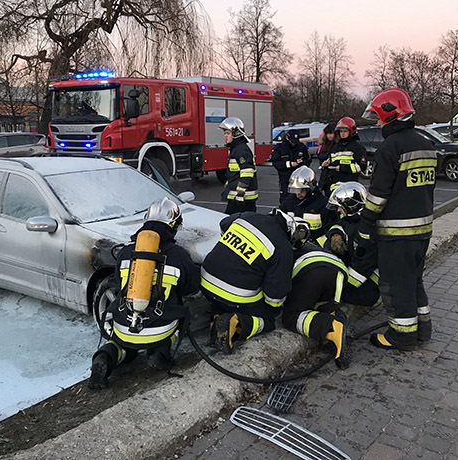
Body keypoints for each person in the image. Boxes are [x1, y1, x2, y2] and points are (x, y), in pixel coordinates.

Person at [88, 197, 200, 389]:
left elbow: (119, 283)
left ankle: (105, 357)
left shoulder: (125, 252)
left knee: (122, 346)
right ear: (173, 226)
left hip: (124, 326)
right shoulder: (178, 255)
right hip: (160, 327)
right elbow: (192, 288)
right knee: (181, 316)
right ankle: (160, 352)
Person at [359, 88, 436, 350]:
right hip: (423, 229)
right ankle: (422, 329)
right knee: (414, 281)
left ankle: (402, 335)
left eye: (379, 118)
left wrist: (365, 224)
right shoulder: (426, 144)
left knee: (394, 285)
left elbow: (379, 195)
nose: (378, 123)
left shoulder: (390, 148)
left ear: (390, 115)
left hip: (397, 233)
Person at [200, 210, 310, 353]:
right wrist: (273, 309)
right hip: (233, 294)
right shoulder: (282, 246)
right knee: (268, 320)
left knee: (225, 298)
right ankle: (235, 322)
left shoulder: (248, 217)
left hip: (205, 280)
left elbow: (224, 223)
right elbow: (276, 294)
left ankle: (217, 316)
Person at [282, 241, 352, 369]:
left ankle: (332, 328)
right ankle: (334, 313)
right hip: (340, 269)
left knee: (290, 317)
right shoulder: (295, 239)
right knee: (319, 303)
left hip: (312, 269)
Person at [325, 182, 381, 308]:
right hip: (360, 267)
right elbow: (340, 224)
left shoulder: (369, 229)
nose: (338, 210)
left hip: (373, 281)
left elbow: (363, 266)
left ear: (351, 206)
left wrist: (341, 286)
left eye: (340, 206)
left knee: (342, 295)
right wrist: (335, 234)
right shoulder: (354, 219)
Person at [280, 165, 338, 246]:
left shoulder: (323, 203)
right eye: (295, 190)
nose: (298, 194)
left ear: (311, 188)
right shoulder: (289, 201)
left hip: (316, 248)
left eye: (301, 190)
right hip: (292, 246)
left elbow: (331, 229)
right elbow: (279, 219)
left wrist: (316, 245)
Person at [219, 117, 258, 215]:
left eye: (228, 133)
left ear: (236, 134)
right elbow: (234, 174)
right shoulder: (236, 149)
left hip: (243, 199)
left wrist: (240, 193)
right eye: (225, 133)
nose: (225, 136)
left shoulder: (241, 150)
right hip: (238, 198)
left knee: (229, 222)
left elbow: (247, 172)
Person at [321, 117, 367, 197]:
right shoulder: (335, 147)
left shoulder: (358, 148)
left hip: (349, 187)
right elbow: (333, 160)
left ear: (351, 131)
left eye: (345, 131)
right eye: (341, 131)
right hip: (334, 187)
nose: (342, 133)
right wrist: (327, 163)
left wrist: (342, 168)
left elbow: (361, 167)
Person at [271, 129, 311, 204]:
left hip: (300, 179)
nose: (294, 144)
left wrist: (301, 163)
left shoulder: (301, 147)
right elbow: (276, 163)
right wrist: (289, 164)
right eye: (292, 141)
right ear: (287, 138)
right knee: (285, 199)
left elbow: (308, 159)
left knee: (300, 199)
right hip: (285, 178)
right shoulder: (280, 149)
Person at [316, 123, 338, 192]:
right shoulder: (324, 144)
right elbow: (319, 155)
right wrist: (328, 156)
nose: (330, 136)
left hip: (335, 173)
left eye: (331, 133)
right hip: (325, 173)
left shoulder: (337, 144)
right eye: (328, 134)